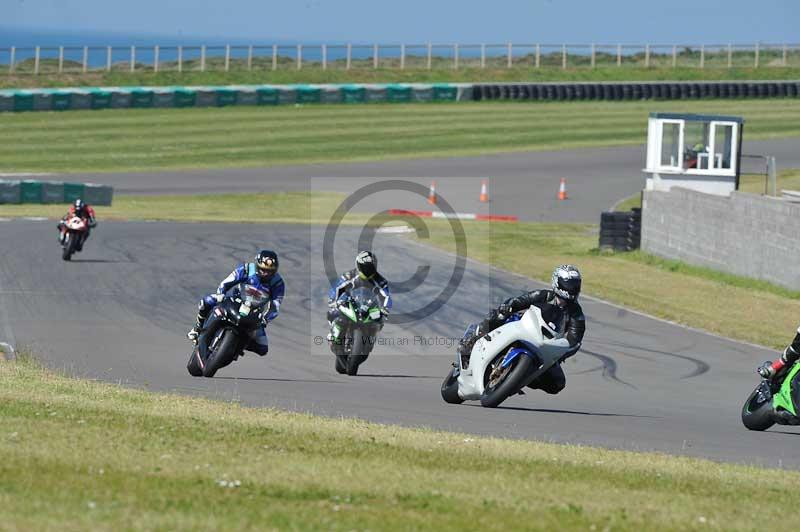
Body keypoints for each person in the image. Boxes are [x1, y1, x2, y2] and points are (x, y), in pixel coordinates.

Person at [457, 264, 586, 395]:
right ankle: (474, 337)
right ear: (557, 282)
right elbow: (520, 301)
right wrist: (509, 306)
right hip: (525, 327)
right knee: (501, 314)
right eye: (568, 285)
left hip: (546, 345)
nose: (571, 289)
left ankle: (519, 378)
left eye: (575, 285)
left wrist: (561, 352)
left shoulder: (577, 314)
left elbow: (574, 341)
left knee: (557, 384)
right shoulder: (544, 296)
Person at [187, 250, 285, 357]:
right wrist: (221, 294)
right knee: (206, 301)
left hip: (255, 313)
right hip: (235, 301)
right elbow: (227, 282)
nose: (266, 273)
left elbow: (275, 307)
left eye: (270, 271)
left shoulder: (277, 283)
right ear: (257, 265)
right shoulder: (247, 269)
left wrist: (265, 319)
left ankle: (238, 346)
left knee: (263, 348)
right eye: (263, 270)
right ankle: (197, 329)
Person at [327, 251, 391, 343]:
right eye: (366, 267)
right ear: (359, 266)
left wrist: (385, 309)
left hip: (369, 304)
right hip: (351, 301)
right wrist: (333, 300)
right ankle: (333, 333)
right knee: (334, 312)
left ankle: (370, 338)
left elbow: (386, 296)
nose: (369, 270)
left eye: (371, 267)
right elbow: (337, 287)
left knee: (380, 320)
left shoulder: (380, 281)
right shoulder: (350, 275)